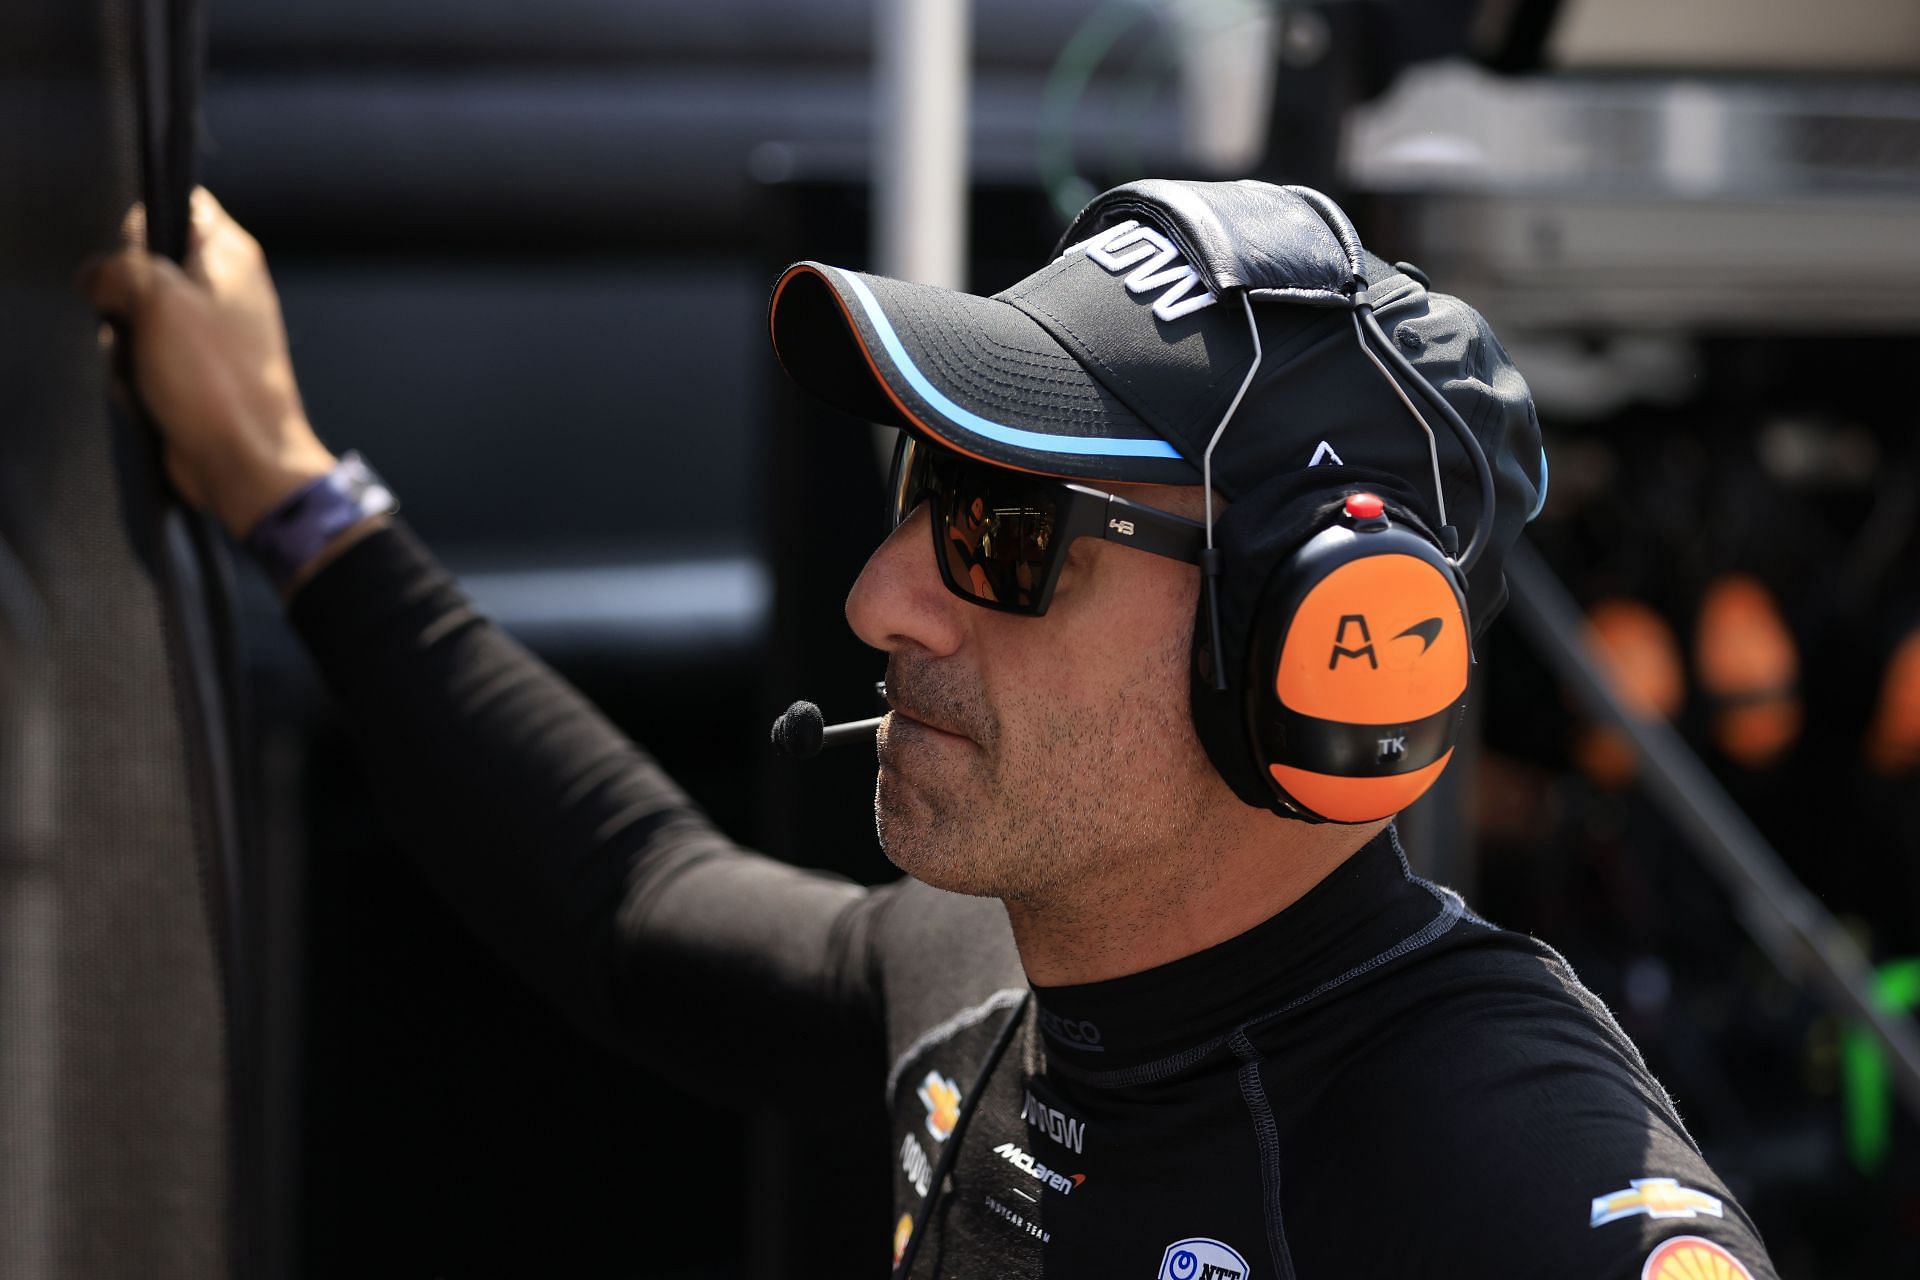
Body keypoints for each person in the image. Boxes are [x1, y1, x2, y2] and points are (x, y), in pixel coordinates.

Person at [83, 180, 1778, 1280]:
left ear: (1332, 647)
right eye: (922, 494)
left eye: (1001, 534)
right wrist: (289, 492)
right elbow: (632, 906)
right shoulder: (986, 990)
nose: (884, 600)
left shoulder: (1507, 1168)